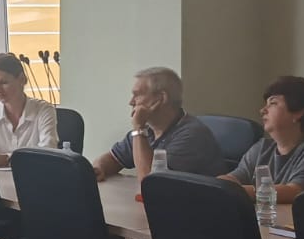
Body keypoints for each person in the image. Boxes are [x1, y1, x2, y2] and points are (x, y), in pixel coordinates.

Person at [222, 76, 304, 200]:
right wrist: (218, 186)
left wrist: (233, 190)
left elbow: (294, 192)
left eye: (273, 103)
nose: (263, 110)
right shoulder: (262, 148)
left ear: (298, 112)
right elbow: (234, 178)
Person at [91, 66, 224, 181]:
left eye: (137, 95)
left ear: (161, 98)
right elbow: (113, 159)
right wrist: (99, 168)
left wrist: (138, 128)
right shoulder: (148, 130)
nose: (131, 102)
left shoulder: (192, 135)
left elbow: (150, 183)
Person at [0, 52, 59, 167]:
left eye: (4, 83)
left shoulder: (44, 110)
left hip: (32, 177)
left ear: (22, 79)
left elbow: (49, 154)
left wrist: (7, 159)